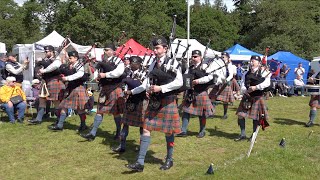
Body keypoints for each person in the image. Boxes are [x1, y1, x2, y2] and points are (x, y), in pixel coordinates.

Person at [125, 37, 182, 172]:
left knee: (168, 132)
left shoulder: (173, 62)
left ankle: (169, 159)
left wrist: (161, 88)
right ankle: (140, 162)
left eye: (158, 48)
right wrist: (132, 92)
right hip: (154, 101)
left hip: (167, 99)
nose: (155, 51)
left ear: (165, 49)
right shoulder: (152, 64)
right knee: (146, 128)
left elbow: (179, 82)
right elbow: (146, 83)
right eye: (154, 48)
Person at [81, 43, 125, 141]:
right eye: (105, 50)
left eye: (108, 49)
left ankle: (118, 132)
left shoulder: (118, 61)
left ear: (113, 51)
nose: (106, 51)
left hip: (114, 88)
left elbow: (119, 73)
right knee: (99, 111)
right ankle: (92, 133)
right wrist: (97, 77)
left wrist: (105, 75)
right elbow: (97, 71)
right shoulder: (102, 61)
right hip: (104, 88)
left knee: (116, 112)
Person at [111, 56, 147, 153]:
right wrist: (125, 91)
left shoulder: (144, 73)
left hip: (141, 100)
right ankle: (122, 146)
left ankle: (141, 147)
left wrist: (131, 91)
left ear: (139, 64)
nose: (131, 64)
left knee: (142, 126)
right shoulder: (129, 72)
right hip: (130, 100)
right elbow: (125, 84)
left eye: (133, 63)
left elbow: (143, 87)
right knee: (125, 123)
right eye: (130, 62)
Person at [176, 50, 215, 138]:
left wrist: (198, 81)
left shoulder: (205, 66)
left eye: (195, 56)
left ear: (200, 57)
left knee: (202, 114)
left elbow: (210, 77)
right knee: (186, 111)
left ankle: (202, 131)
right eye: (192, 56)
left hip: (201, 92)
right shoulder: (190, 68)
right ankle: (183, 130)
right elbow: (185, 77)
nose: (193, 58)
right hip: (190, 92)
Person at [48, 51, 90, 131]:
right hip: (70, 88)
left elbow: (79, 75)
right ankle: (60, 125)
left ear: (76, 58)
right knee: (64, 106)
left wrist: (67, 78)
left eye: (70, 58)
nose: (69, 59)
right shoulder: (69, 65)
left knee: (80, 109)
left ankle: (83, 125)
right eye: (69, 58)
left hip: (78, 88)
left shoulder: (79, 66)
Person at [234, 55, 271, 141]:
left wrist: (256, 87)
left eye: (253, 61)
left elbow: (267, 83)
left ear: (258, 63)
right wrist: (245, 90)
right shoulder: (246, 73)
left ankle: (253, 136)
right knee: (240, 115)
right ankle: (242, 134)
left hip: (257, 97)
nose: (251, 62)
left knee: (256, 118)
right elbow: (242, 84)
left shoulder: (264, 72)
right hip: (247, 96)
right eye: (251, 61)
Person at [28, 45, 65, 125]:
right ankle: (38, 119)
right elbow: (38, 67)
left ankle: (59, 120)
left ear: (52, 51)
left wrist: (42, 63)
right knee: (42, 100)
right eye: (45, 51)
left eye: (46, 51)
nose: (45, 53)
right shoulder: (45, 60)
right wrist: (38, 70)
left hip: (54, 81)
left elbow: (52, 67)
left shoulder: (56, 59)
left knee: (56, 102)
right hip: (45, 81)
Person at [216, 52, 235, 119]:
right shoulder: (219, 64)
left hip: (225, 83)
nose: (222, 58)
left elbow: (231, 75)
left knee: (225, 100)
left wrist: (226, 80)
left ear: (227, 57)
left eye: (223, 57)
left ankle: (225, 114)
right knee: (212, 97)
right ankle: (210, 111)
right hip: (218, 82)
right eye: (222, 57)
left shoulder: (229, 64)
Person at [305, 61, 320, 127]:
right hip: (316, 91)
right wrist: (311, 79)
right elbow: (311, 79)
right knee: (313, 105)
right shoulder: (318, 72)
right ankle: (311, 121)